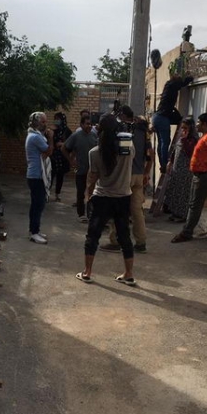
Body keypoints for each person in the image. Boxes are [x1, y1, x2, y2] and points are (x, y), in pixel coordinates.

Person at [75, 114, 137, 286]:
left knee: (93, 235)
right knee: (124, 236)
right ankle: (129, 274)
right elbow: (130, 156)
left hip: (102, 198)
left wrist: (88, 195)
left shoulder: (94, 153)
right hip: (123, 197)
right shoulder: (128, 147)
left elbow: (92, 177)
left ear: (99, 130)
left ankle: (87, 272)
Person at [100, 105, 154, 253]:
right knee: (137, 211)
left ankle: (115, 241)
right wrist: (146, 173)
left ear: (123, 116)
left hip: (125, 176)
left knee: (118, 209)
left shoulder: (123, 130)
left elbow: (124, 155)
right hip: (139, 175)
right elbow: (150, 154)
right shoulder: (143, 131)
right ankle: (141, 243)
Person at [171, 112, 207, 243]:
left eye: (199, 122)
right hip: (200, 175)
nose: (197, 124)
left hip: (204, 175)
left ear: (205, 124)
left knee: (195, 205)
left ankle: (186, 233)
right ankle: (187, 231)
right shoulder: (205, 137)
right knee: (193, 204)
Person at [152, 69, 194, 171]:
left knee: (161, 143)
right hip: (162, 118)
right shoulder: (172, 85)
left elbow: (170, 107)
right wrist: (190, 78)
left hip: (157, 117)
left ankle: (163, 164)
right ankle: (165, 164)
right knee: (165, 142)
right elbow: (182, 84)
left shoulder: (168, 86)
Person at [62, 113, 97, 222]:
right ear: (81, 125)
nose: (89, 126)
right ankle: (81, 214)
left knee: (92, 194)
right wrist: (71, 160)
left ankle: (91, 214)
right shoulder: (76, 136)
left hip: (92, 171)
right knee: (81, 193)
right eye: (87, 124)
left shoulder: (94, 136)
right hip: (81, 169)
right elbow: (64, 148)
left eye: (90, 124)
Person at [25, 112, 53, 244]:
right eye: (43, 122)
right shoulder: (35, 137)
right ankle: (34, 233)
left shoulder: (35, 135)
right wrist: (51, 138)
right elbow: (49, 151)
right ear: (36, 123)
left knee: (36, 204)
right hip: (36, 175)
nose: (45, 124)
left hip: (35, 175)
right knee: (38, 205)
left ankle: (34, 230)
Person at [164, 117, 198, 222]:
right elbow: (175, 150)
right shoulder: (181, 138)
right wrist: (170, 162)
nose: (183, 130)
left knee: (183, 194)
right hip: (177, 169)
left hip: (185, 171)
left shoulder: (193, 140)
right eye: (182, 128)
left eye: (185, 128)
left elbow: (190, 152)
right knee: (175, 191)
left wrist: (185, 139)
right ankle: (175, 213)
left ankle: (182, 215)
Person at [50, 112, 72, 201]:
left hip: (62, 157)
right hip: (53, 157)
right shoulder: (52, 130)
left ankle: (57, 194)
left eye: (58, 119)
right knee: (50, 176)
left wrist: (63, 144)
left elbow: (71, 143)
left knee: (60, 176)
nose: (56, 121)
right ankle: (46, 193)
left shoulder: (67, 131)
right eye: (55, 119)